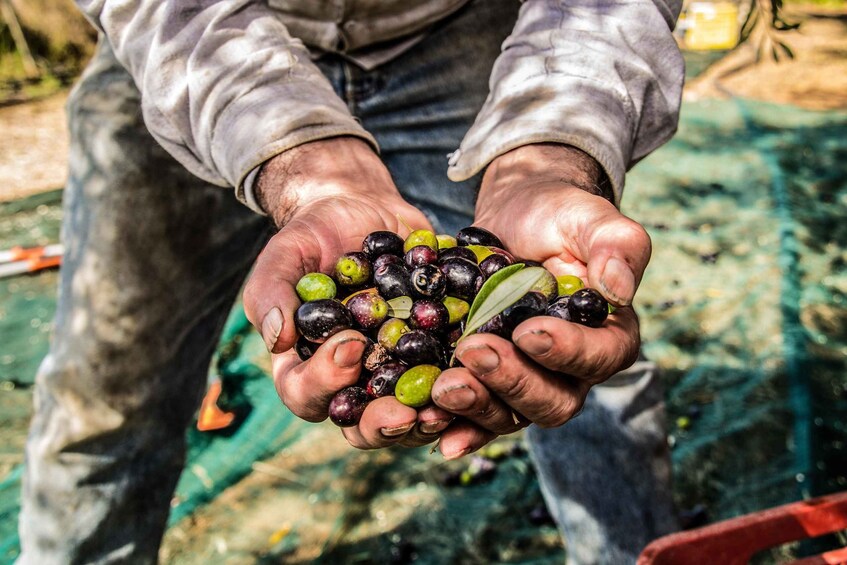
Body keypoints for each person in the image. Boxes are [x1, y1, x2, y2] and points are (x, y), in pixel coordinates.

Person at [18, 0, 685, 563]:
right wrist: (290, 147)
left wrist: (554, 147)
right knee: (103, 393)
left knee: (571, 358)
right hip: (193, 40)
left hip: (462, 31)